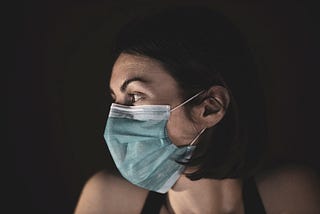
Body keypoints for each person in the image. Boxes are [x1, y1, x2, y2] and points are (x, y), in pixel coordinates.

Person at [74, 6, 320, 213]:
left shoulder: (291, 195)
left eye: (135, 96)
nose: (116, 121)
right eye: (115, 99)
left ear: (210, 107)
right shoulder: (108, 201)